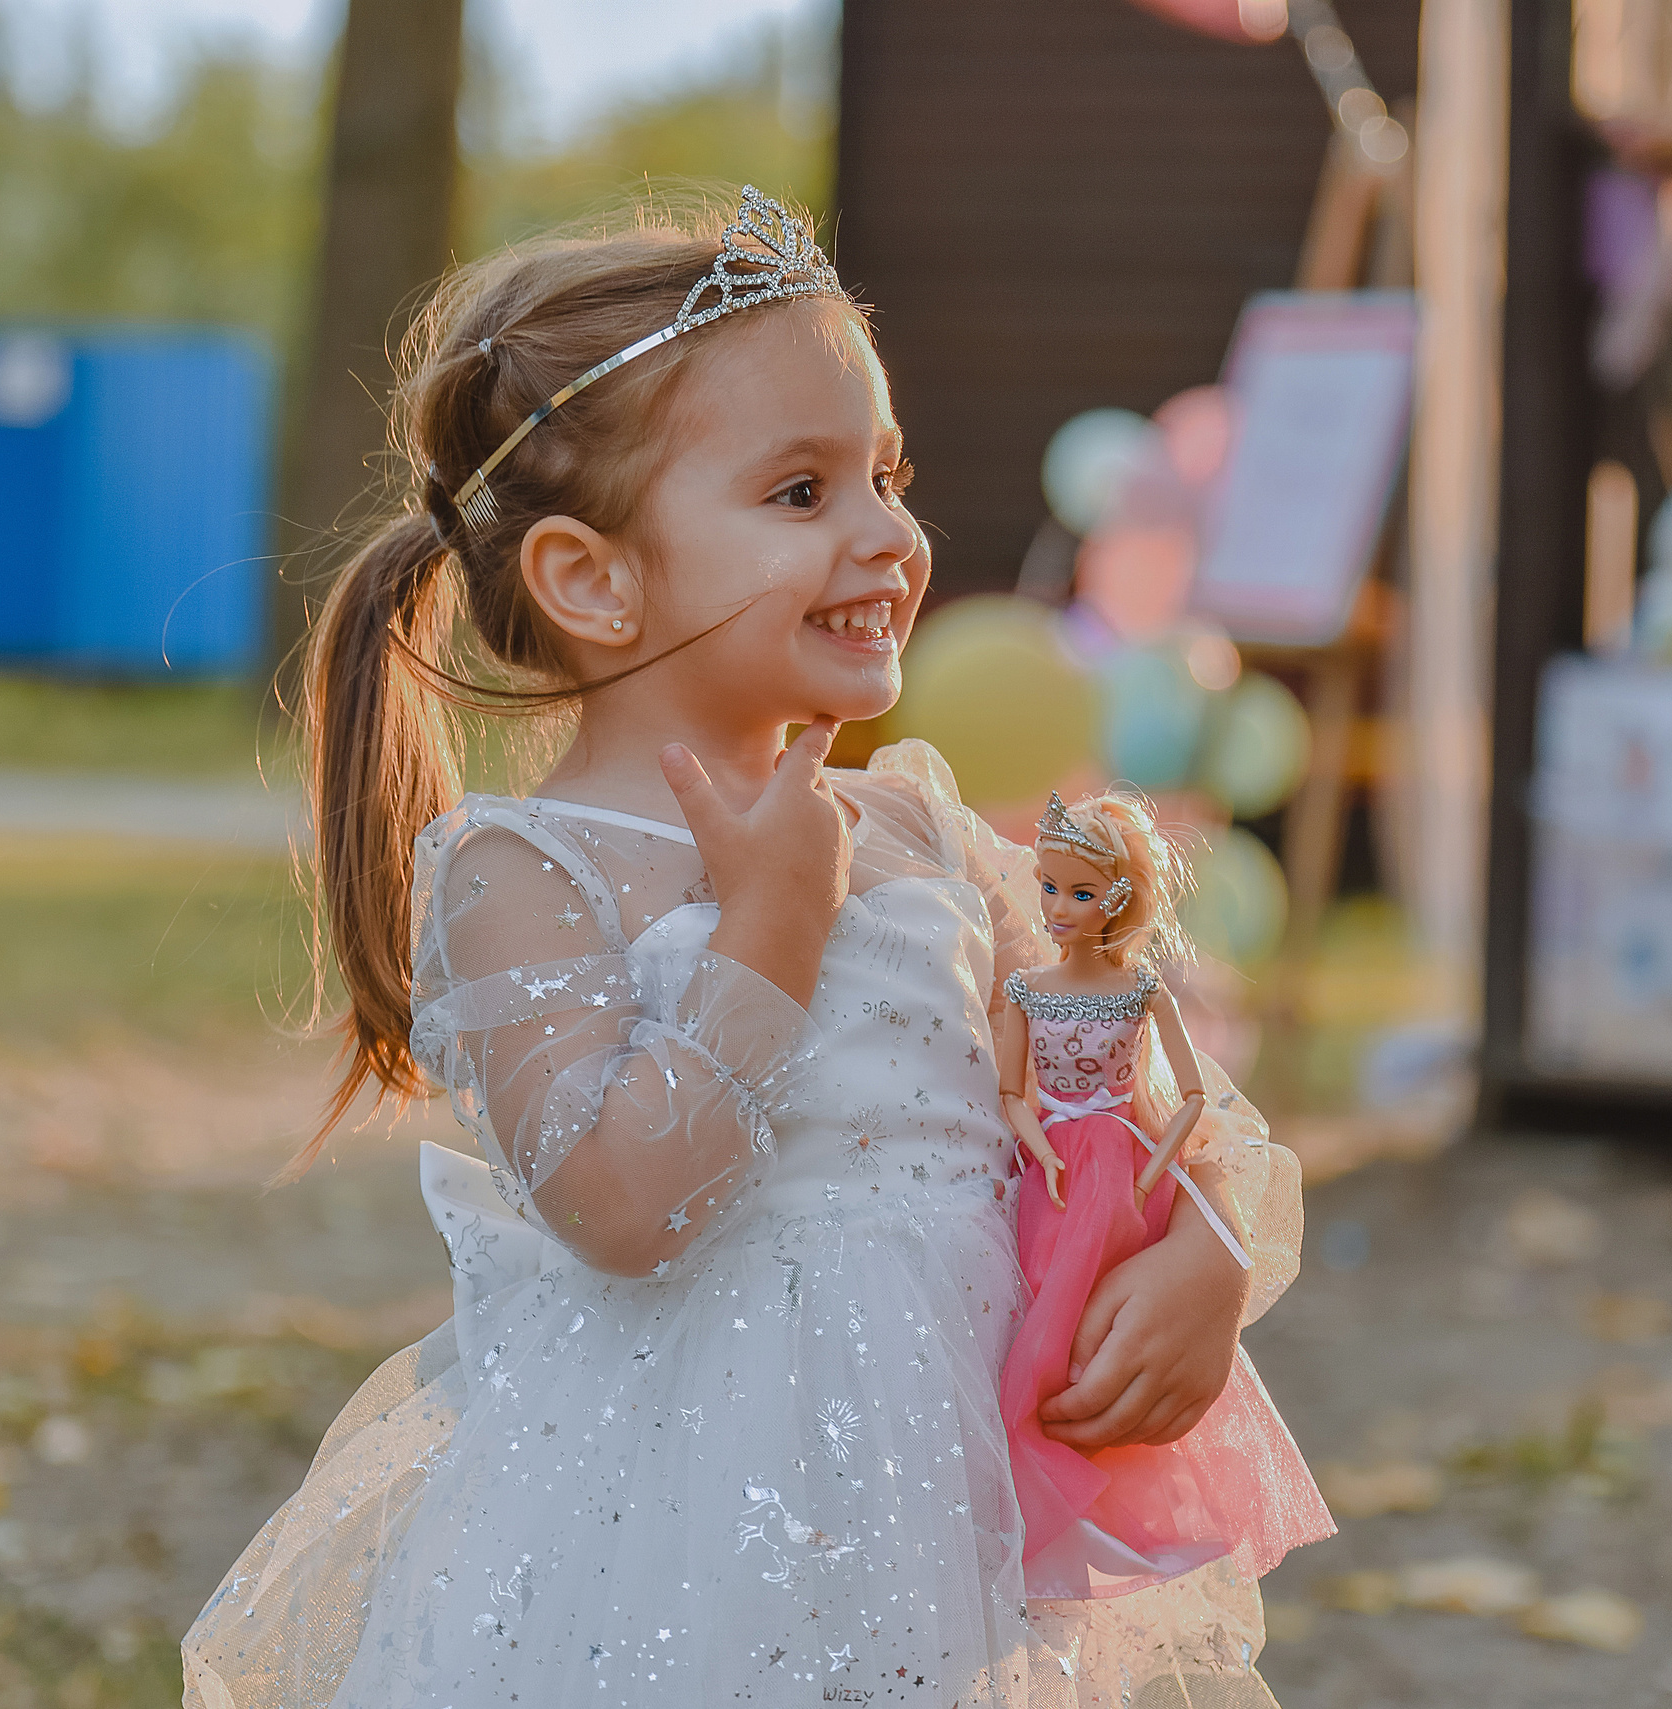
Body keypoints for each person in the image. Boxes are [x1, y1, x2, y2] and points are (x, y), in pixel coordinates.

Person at [182, 188, 1310, 1709]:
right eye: (801, 493)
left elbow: (1115, 1088)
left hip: (947, 1511)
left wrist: (1208, 1247)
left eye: (885, 477)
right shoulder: (529, 874)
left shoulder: (913, 831)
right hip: (663, 1548)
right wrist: (773, 926)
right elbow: (625, 1203)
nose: (888, 535)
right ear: (593, 576)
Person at [996, 789, 1334, 1604]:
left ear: (1115, 897)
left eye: (1077, 891)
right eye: (1051, 886)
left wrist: (1161, 1176)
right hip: (1051, 1167)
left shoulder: (1140, 991)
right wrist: (1041, 1145)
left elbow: (1187, 1094)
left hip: (1120, 1160)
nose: (1055, 905)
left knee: (1091, 1322)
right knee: (1046, 1300)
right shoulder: (1024, 985)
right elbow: (1012, 1092)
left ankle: (1067, 1469)